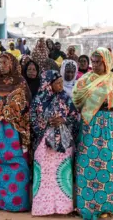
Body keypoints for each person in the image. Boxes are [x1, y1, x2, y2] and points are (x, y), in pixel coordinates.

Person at [72, 47, 113, 219]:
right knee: (87, 164)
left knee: (110, 164)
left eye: (99, 62)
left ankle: (109, 205)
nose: (95, 65)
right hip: (92, 124)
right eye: (93, 62)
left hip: (112, 125)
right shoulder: (84, 80)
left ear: (107, 62)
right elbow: (77, 99)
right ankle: (87, 206)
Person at [0, 53, 31, 212]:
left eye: (5, 62)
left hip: (15, 129)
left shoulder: (21, 82)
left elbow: (26, 107)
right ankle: (1, 202)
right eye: (0, 63)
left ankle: (19, 204)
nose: (2, 66)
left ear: (12, 64)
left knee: (18, 164)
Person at [31, 70, 80, 217]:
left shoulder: (66, 98)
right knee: (44, 174)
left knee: (62, 174)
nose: (60, 85)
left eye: (61, 82)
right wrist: (46, 122)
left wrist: (63, 120)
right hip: (43, 142)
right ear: (48, 84)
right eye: (57, 83)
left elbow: (75, 117)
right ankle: (42, 207)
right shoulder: (38, 99)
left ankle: (63, 207)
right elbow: (32, 118)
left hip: (63, 143)